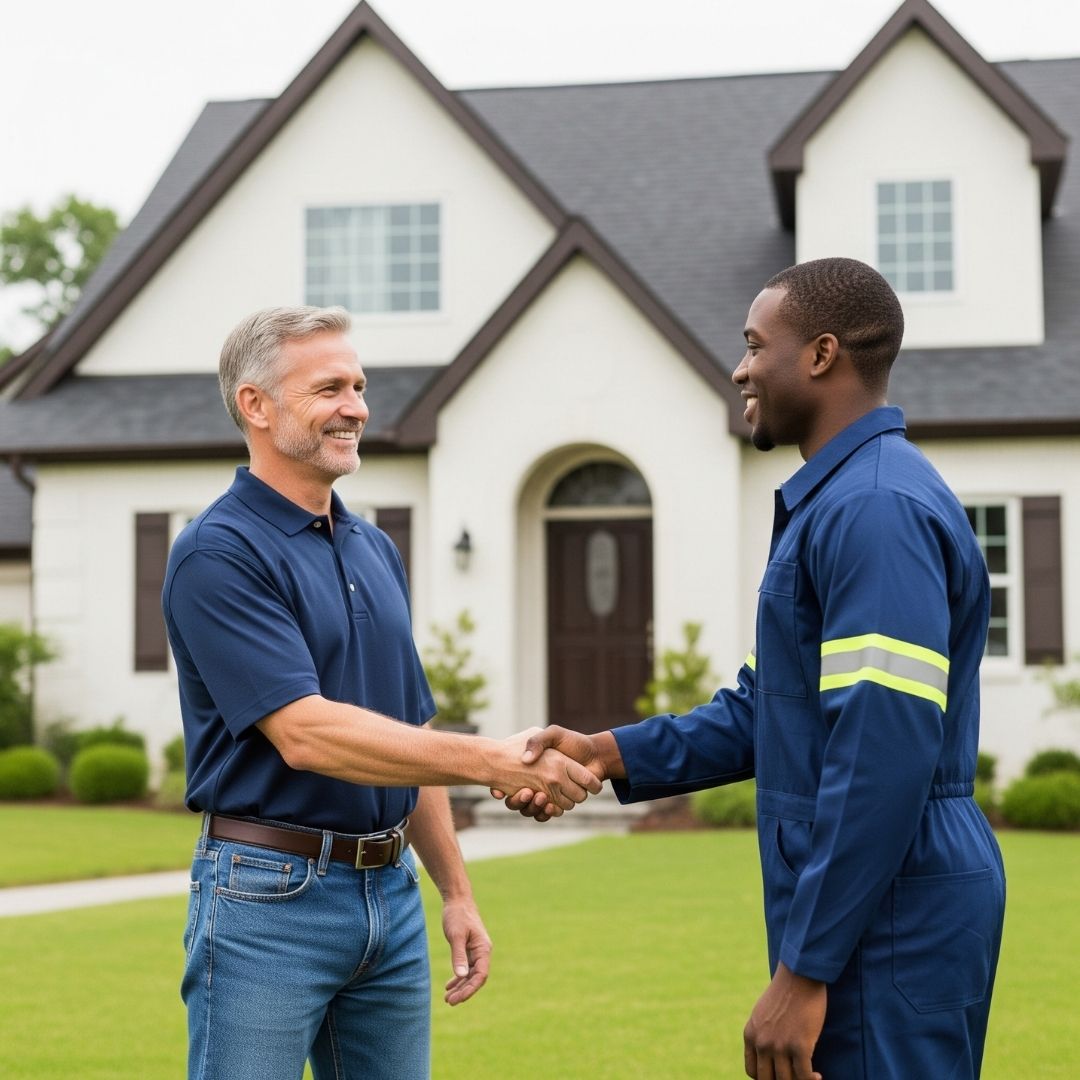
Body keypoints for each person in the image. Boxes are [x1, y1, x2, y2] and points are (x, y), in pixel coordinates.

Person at [499, 258, 1006, 1079]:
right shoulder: (838, 502)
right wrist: (606, 753)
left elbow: (882, 750)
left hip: (895, 908)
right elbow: (763, 708)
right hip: (877, 898)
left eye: (753, 344)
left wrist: (805, 971)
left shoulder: (874, 511)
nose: (739, 367)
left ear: (820, 355)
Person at [162, 305, 601, 1080]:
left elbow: (408, 731)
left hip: (390, 900)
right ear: (255, 406)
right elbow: (307, 733)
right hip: (268, 902)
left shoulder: (373, 547)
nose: (357, 407)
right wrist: (495, 760)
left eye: (359, 386)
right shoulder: (217, 554)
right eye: (330, 387)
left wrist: (455, 892)